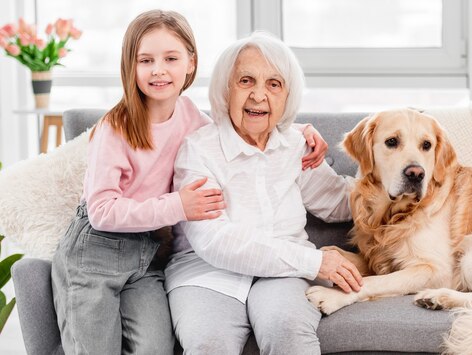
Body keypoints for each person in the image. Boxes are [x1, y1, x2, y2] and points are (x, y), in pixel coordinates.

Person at [51, 11, 327, 355]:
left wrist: (297, 131)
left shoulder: (191, 117)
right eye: (146, 60)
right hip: (96, 249)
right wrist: (178, 206)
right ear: (130, 66)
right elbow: (102, 211)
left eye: (170, 59)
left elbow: (236, 127)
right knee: (92, 347)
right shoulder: (115, 128)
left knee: (155, 347)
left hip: (146, 251)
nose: (158, 70)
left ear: (190, 64)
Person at [165, 31, 363, 355]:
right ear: (226, 89)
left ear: (287, 97)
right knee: (208, 343)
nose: (259, 95)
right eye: (246, 80)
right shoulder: (198, 150)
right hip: (208, 273)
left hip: (283, 276)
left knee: (287, 329)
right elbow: (215, 241)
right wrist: (314, 261)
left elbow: (338, 204)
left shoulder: (296, 146)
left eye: (274, 84)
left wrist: (392, 183)